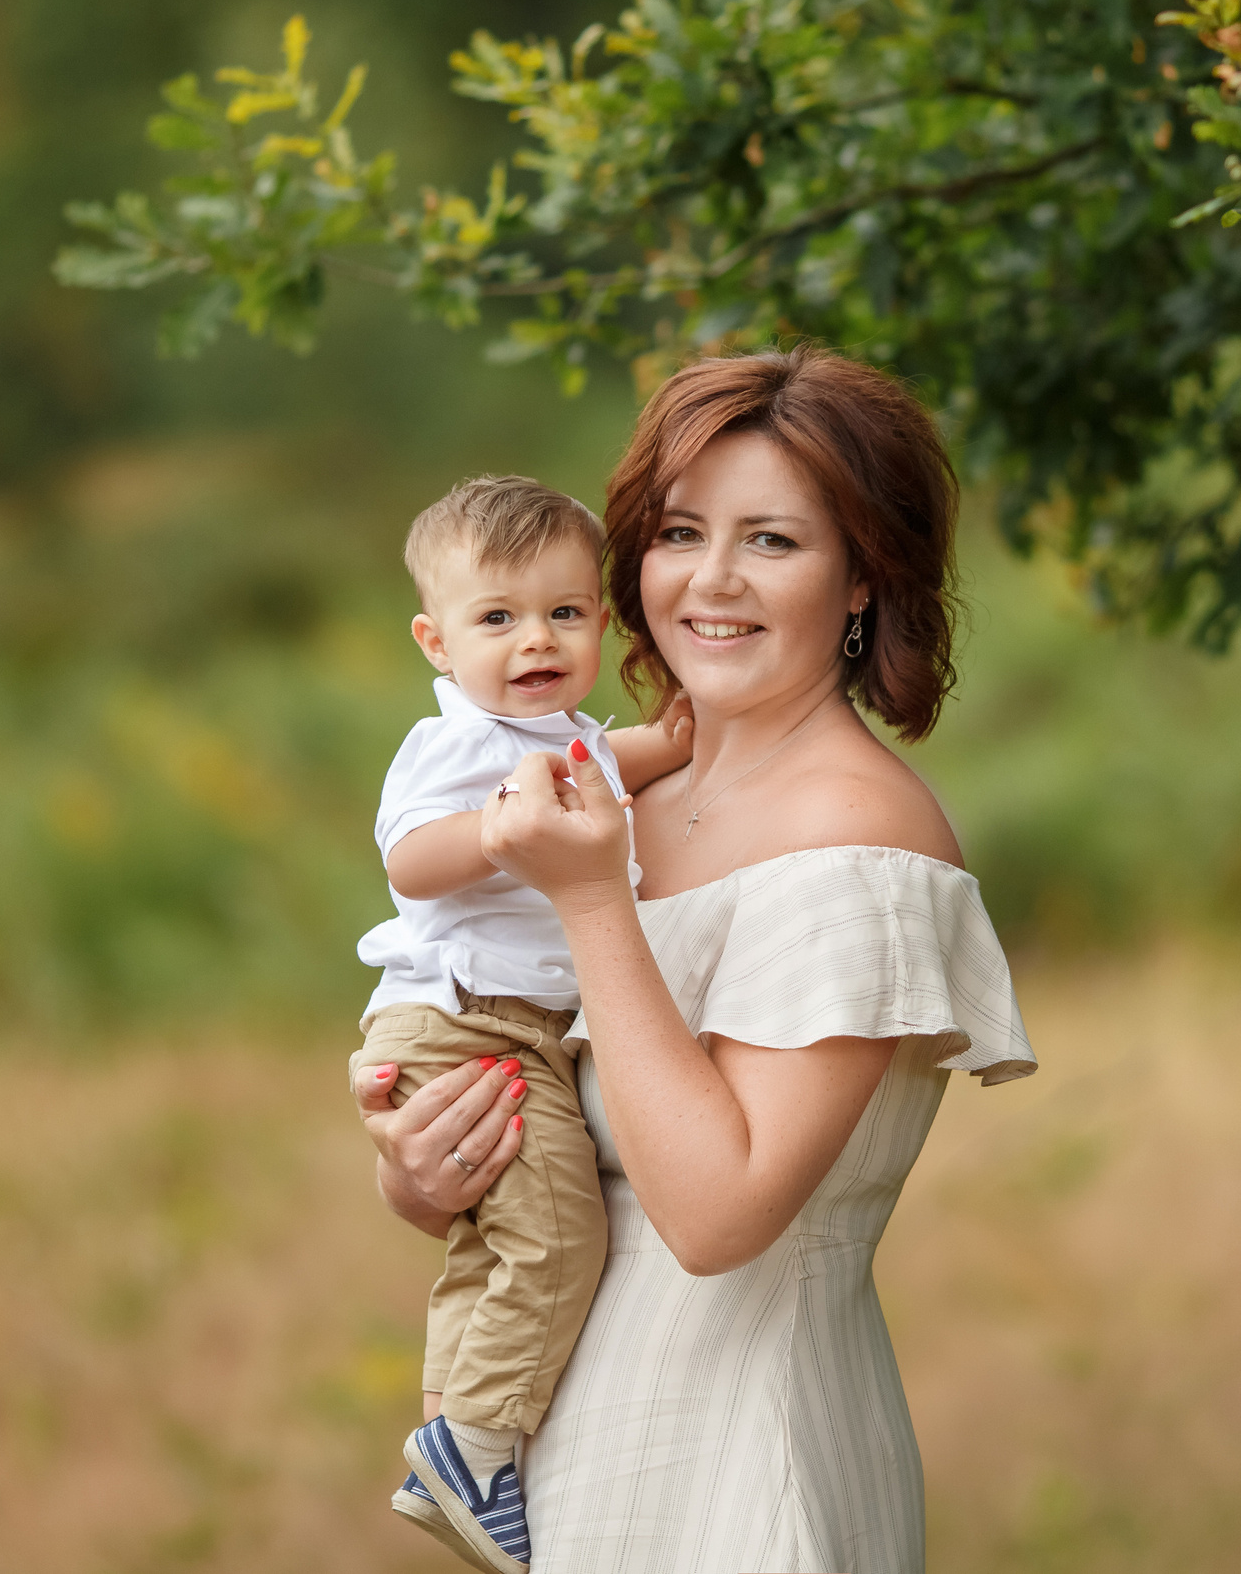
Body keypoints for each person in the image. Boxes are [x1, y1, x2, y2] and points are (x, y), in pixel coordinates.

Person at [354, 349, 1037, 1574]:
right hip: (581, 1458)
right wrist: (430, 1174)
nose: (710, 582)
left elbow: (718, 1215)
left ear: (864, 578)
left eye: (772, 541)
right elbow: (603, 1168)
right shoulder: (627, 805)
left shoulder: (859, 841)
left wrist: (590, 909)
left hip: (743, 1465)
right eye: (679, 532)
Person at [352, 476, 695, 1572]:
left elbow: (605, 765)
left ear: (598, 618)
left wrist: (675, 737)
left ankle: (453, 1432)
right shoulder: (454, 745)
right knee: (557, 1233)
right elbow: (408, 860)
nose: (533, 639)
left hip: (509, 1030)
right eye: (496, 618)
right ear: (436, 642)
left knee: (492, 1241)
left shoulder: (566, 739)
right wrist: (502, 831)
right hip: (465, 1029)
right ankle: (478, 1450)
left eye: (563, 612)